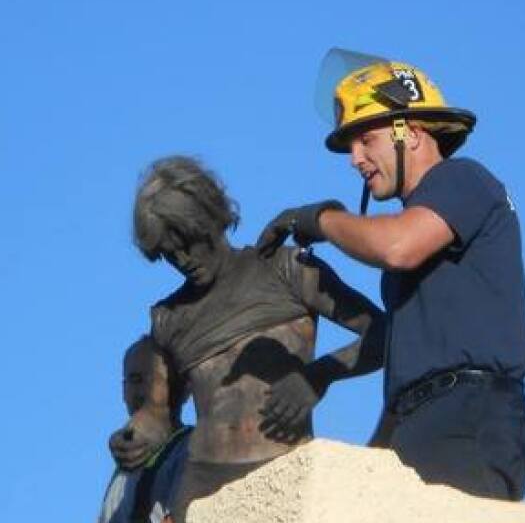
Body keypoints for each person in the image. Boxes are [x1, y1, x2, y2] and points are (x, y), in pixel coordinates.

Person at [256, 49, 525, 500]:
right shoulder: (424, 237)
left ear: (412, 132)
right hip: (420, 418)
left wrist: (322, 219)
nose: (355, 158)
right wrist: (364, 470)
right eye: (351, 147)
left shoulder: (462, 179)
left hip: (467, 416)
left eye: (367, 140)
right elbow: (407, 363)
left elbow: (397, 247)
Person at [128, 156, 385, 522]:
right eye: (169, 254)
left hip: (284, 471)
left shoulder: (285, 269)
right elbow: (160, 414)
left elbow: (385, 334)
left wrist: (318, 376)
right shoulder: (168, 317)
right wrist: (137, 434)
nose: (183, 259)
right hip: (198, 488)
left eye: (188, 242)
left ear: (211, 218)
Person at [100, 336, 192, 523]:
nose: (140, 391)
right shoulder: (121, 472)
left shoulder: (190, 449)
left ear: (184, 388)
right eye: (133, 380)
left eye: (148, 379)